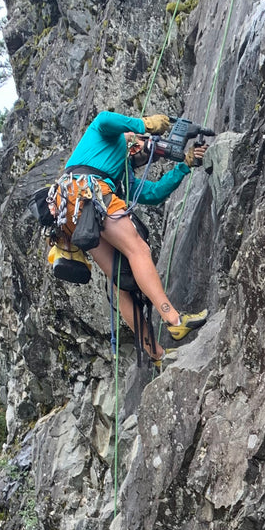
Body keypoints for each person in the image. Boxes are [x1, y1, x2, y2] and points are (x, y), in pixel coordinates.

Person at [53, 110, 209, 363]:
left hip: (72, 209)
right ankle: (174, 319)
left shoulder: (121, 174)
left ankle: (156, 355)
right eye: (138, 144)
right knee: (138, 249)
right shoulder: (108, 135)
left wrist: (184, 166)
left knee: (121, 283)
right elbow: (104, 118)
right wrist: (143, 124)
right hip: (88, 192)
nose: (137, 148)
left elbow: (154, 193)